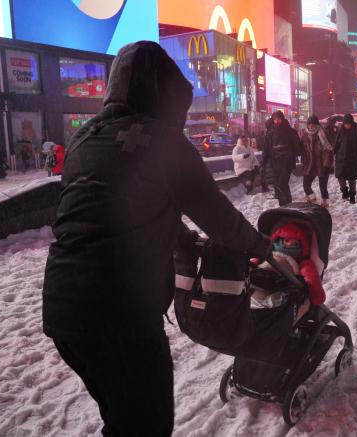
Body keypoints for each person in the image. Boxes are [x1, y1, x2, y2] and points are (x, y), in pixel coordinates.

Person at [42, 41, 271, 437]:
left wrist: (182, 241)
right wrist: (264, 249)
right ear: (163, 96)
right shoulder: (165, 143)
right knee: (147, 425)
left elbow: (118, 209)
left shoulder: (84, 139)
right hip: (121, 316)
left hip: (64, 313)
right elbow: (220, 219)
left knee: (123, 419)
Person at [263, 111, 300, 206]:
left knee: (281, 183)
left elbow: (297, 147)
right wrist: (264, 162)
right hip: (275, 163)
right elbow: (266, 148)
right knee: (280, 185)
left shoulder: (289, 131)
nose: (276, 121)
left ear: (282, 119)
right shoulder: (270, 133)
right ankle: (283, 205)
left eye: (278, 119)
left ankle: (288, 203)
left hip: (286, 162)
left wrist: (291, 153)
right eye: (275, 119)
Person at [299, 115, 334, 208]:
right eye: (309, 124)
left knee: (323, 185)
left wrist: (327, 164)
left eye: (313, 124)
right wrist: (303, 159)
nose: (311, 126)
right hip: (310, 164)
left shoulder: (323, 133)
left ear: (317, 124)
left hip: (321, 164)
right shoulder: (304, 134)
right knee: (306, 184)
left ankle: (325, 202)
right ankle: (312, 198)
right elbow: (301, 148)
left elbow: (329, 150)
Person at [334, 114, 357, 204]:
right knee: (340, 177)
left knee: (352, 180)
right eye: (345, 124)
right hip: (341, 160)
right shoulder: (340, 132)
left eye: (348, 124)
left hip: (352, 160)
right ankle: (344, 191)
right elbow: (336, 144)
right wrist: (333, 152)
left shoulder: (356, 132)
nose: (347, 125)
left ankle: (352, 196)